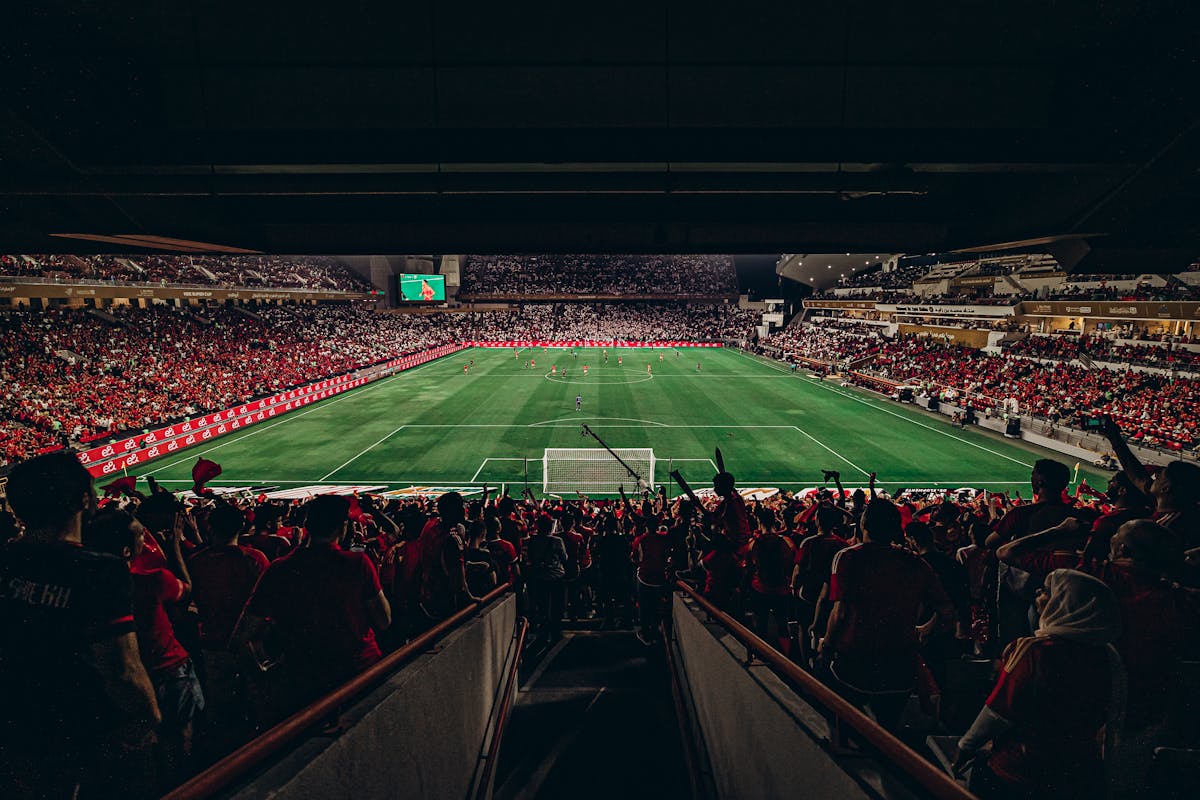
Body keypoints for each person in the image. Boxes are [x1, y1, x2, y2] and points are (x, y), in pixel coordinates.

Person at [1, 453, 160, 800]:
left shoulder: (6, 560)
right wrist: (150, 720)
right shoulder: (99, 570)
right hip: (79, 731)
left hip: (15, 724)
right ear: (81, 501)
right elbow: (123, 670)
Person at [953, 569, 1123, 799]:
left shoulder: (1035, 651)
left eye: (1046, 592)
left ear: (1066, 603)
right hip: (1079, 774)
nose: (1038, 595)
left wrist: (966, 746)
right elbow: (1113, 717)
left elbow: (999, 712)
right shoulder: (1109, 656)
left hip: (1023, 770)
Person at [233, 495, 392, 721]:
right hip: (359, 673)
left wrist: (263, 674)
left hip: (304, 679)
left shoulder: (279, 569)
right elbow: (384, 621)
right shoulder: (357, 563)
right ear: (343, 526)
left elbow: (241, 637)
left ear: (307, 525)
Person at [90, 507, 204, 785]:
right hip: (169, 669)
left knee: (142, 748)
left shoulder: (90, 587)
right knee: (179, 740)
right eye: (142, 535)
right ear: (127, 550)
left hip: (122, 677)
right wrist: (174, 546)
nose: (146, 538)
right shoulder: (152, 579)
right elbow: (186, 589)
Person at [818, 500, 954, 731]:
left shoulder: (848, 557)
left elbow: (839, 613)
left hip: (854, 661)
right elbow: (947, 611)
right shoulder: (914, 561)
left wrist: (826, 649)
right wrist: (925, 630)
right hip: (899, 665)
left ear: (863, 524)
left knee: (842, 727)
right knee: (887, 733)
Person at [186, 503, 268, 757]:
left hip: (212, 644)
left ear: (210, 528)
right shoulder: (254, 559)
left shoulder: (196, 561)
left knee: (219, 708)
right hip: (250, 645)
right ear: (241, 527)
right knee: (255, 704)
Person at [631, 523, 673, 644]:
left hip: (644, 577)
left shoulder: (640, 539)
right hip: (659, 577)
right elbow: (667, 555)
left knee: (643, 606)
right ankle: (655, 631)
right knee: (656, 606)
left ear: (646, 527)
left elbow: (635, 558)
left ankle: (645, 633)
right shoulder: (663, 539)